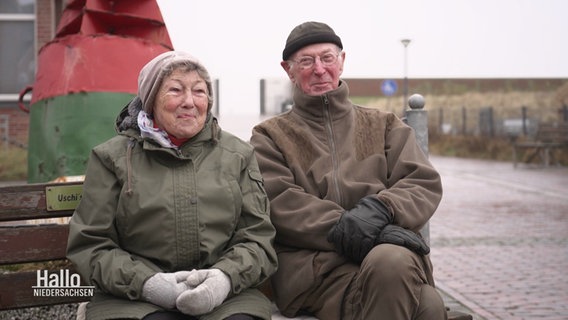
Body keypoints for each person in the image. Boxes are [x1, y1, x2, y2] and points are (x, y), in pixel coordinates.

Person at [250, 21, 446, 320]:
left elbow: (421, 182)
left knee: (422, 299)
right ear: (288, 69)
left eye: (327, 58)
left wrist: (382, 209)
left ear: (341, 61)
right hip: (318, 272)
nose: (319, 69)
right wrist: (362, 229)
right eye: (306, 61)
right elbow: (280, 202)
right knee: (424, 303)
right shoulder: (270, 136)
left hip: (392, 258)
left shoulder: (385, 125)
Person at [67, 51, 278, 320]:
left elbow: (257, 238)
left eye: (199, 91)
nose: (189, 102)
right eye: (176, 90)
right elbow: (90, 244)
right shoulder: (112, 158)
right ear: (151, 100)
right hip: (134, 299)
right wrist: (148, 284)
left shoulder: (237, 155)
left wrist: (223, 279)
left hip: (226, 299)